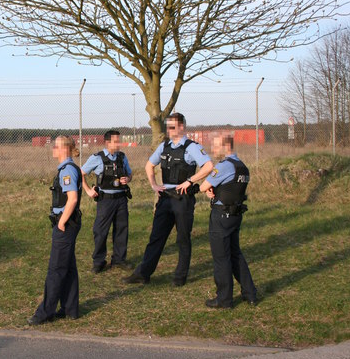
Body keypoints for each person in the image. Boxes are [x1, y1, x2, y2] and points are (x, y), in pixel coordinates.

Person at [123, 112, 213, 285]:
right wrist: (154, 184)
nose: (169, 130)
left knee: (182, 238)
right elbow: (149, 165)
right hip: (165, 199)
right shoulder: (164, 146)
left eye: (172, 127)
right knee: (156, 237)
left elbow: (208, 166)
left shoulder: (192, 147)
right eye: (168, 127)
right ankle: (143, 274)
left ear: (182, 127)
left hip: (182, 199)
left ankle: (180, 276)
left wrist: (190, 181)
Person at [28, 135, 82, 325]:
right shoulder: (69, 168)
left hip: (65, 224)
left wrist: (61, 223)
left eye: (56, 146)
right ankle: (70, 309)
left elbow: (72, 199)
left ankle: (45, 312)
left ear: (65, 149)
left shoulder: (67, 170)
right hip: (68, 223)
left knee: (56, 269)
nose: (53, 149)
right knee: (68, 267)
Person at [199, 133, 257, 308]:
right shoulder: (242, 167)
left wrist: (209, 189)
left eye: (216, 146)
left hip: (221, 217)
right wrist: (215, 190)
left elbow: (203, 186)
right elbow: (230, 189)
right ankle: (250, 293)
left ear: (226, 146)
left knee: (221, 258)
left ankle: (224, 299)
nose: (213, 149)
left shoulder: (224, 166)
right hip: (235, 216)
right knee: (235, 254)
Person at [81, 130, 133, 273]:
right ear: (107, 142)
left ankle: (119, 259)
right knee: (100, 231)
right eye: (116, 141)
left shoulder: (122, 157)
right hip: (105, 201)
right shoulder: (97, 158)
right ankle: (99, 261)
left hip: (121, 199)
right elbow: (81, 174)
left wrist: (127, 179)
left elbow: (130, 173)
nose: (119, 144)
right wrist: (88, 191)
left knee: (122, 230)